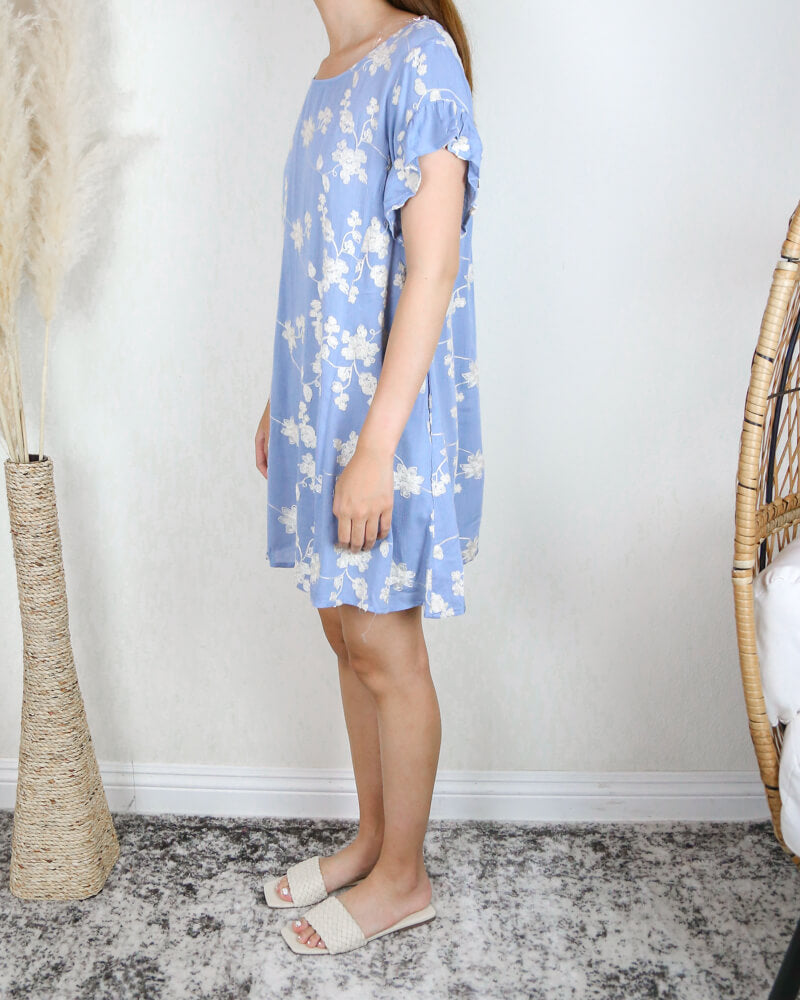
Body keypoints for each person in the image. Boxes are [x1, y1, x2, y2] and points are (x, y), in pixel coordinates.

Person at [255, 0, 484, 956]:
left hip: (385, 426)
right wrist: (283, 399)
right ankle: (373, 839)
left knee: (386, 647)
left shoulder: (421, 61)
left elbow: (431, 270)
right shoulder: (329, 73)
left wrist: (378, 448)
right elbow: (324, 260)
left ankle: (404, 877)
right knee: (346, 634)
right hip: (323, 415)